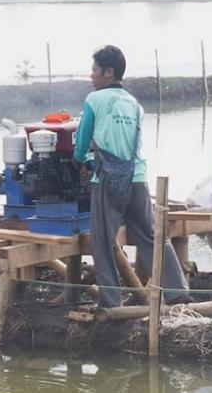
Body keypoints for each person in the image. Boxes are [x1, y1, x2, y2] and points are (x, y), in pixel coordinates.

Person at [73, 45, 187, 308]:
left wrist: (79, 160)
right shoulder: (135, 104)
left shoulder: (94, 100)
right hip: (137, 178)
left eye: (94, 70)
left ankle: (111, 301)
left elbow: (81, 141)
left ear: (108, 72)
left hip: (108, 182)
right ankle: (177, 291)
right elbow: (127, 143)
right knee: (150, 236)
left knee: (101, 242)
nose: (91, 75)